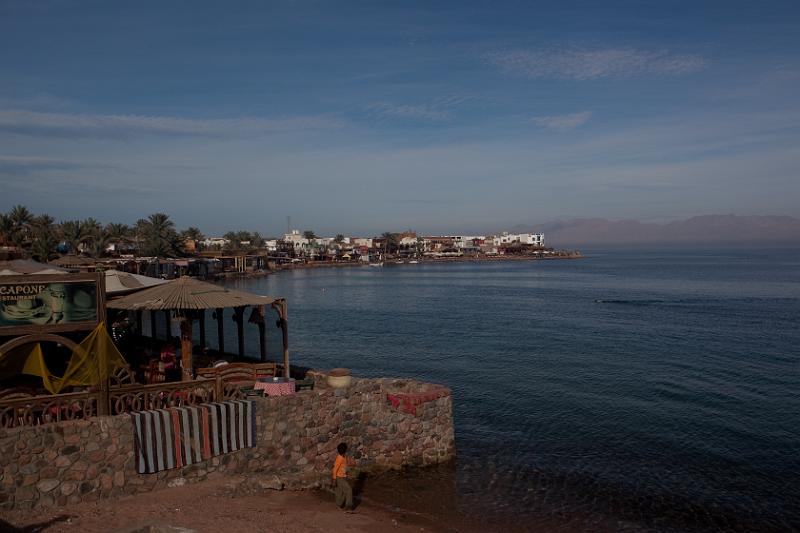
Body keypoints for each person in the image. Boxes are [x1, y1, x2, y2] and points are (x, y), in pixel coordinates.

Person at [331, 442, 354, 512]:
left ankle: (339, 505)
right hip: (339, 478)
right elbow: (335, 469)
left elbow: (344, 467)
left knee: (340, 492)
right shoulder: (339, 458)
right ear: (346, 450)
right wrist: (334, 480)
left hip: (343, 477)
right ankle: (348, 507)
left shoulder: (343, 457)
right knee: (349, 490)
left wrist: (347, 473)